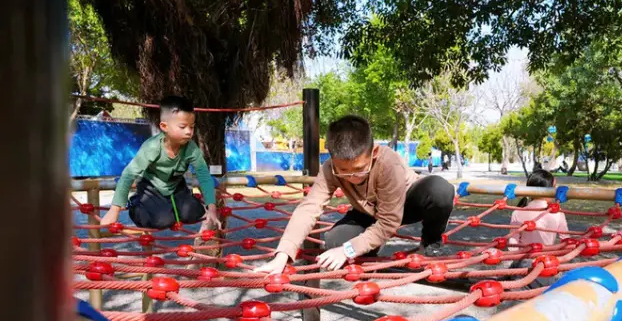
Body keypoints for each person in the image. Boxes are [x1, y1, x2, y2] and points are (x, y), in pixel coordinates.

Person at [256, 115, 455, 273]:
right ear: (332, 158)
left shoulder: (388, 162)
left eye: (359, 169)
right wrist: (283, 254)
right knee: (334, 242)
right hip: (368, 212)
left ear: (374, 153)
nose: (351, 177)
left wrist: (348, 250)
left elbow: (389, 221)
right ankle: (372, 246)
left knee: (440, 190)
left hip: (405, 203)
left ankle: (431, 243)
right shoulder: (329, 168)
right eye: (343, 171)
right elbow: (309, 208)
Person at [99, 96, 220, 231]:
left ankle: (175, 207)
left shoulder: (191, 148)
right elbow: (129, 174)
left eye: (191, 127)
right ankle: (135, 203)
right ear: (164, 126)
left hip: (177, 186)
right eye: (182, 126)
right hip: (152, 187)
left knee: (195, 213)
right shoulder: (152, 147)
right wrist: (114, 210)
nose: (188, 132)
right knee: (162, 221)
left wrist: (212, 209)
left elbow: (203, 175)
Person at [508, 169, 569, 268]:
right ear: (549, 190)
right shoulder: (557, 212)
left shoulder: (517, 212)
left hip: (523, 264)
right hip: (546, 264)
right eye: (554, 187)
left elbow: (512, 245)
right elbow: (566, 241)